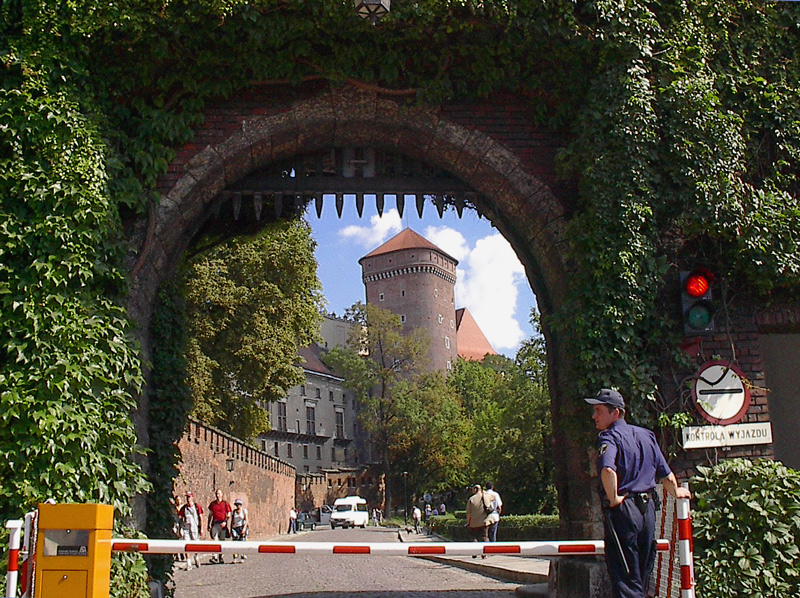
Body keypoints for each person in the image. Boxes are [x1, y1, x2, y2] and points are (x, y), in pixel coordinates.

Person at [586, 388, 692, 598]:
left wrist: (614, 499)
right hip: (648, 511)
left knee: (626, 578)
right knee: (642, 577)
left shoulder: (609, 437)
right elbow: (666, 474)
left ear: (615, 413)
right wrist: (677, 492)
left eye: (599, 411)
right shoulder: (646, 436)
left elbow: (608, 470)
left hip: (625, 511)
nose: (594, 416)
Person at [178, 492, 203, 570]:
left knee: (196, 544)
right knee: (186, 545)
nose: (188, 499)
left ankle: (196, 556)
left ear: (192, 498)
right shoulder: (184, 508)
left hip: (194, 528)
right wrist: (180, 529)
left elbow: (201, 517)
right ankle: (188, 563)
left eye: (189, 497)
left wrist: (201, 528)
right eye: (187, 497)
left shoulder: (197, 507)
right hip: (186, 528)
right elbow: (180, 518)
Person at [465, 484, 492, 558]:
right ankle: (484, 553)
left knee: (474, 537)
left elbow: (468, 513)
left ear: (475, 489)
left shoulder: (471, 499)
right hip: (484, 521)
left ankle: (475, 552)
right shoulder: (486, 496)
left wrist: (468, 522)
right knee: (484, 537)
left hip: (474, 522)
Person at [207, 489, 232, 563]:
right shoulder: (212, 504)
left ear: (222, 494)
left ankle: (221, 556)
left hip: (223, 525)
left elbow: (229, 514)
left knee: (222, 541)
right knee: (215, 540)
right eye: (216, 494)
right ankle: (214, 557)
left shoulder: (225, 504)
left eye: (219, 494)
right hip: (215, 524)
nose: (217, 495)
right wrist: (208, 524)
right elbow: (210, 515)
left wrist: (225, 522)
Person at [230, 498, 249, 563]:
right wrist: (231, 529)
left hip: (242, 527)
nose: (238, 505)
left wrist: (244, 528)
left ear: (241, 505)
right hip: (235, 528)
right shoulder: (234, 512)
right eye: (237, 504)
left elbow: (246, 520)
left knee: (242, 542)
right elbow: (232, 521)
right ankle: (235, 558)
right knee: (235, 543)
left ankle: (242, 557)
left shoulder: (244, 511)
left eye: (239, 504)